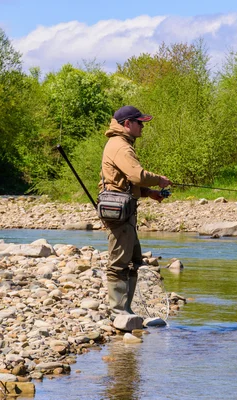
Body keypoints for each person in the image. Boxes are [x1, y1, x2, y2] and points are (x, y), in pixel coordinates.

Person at [99, 105, 170, 317]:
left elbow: (126, 180)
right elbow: (137, 175)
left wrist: (149, 193)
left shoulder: (121, 143)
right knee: (119, 262)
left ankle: (125, 309)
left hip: (124, 209)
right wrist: (160, 180)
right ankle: (119, 311)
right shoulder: (120, 146)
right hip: (118, 211)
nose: (142, 126)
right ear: (127, 124)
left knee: (133, 259)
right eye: (140, 123)